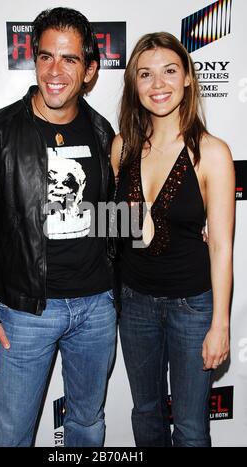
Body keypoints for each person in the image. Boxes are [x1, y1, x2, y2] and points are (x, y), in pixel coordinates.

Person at [0, 7, 116, 447]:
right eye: (46, 57)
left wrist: (177, 232)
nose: (55, 71)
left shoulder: (103, 133)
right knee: (9, 434)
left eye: (69, 59)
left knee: (87, 424)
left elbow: (109, 216)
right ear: (34, 59)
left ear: (90, 69)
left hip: (96, 308)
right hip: (24, 314)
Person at [111, 32, 235, 447]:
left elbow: (221, 246)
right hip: (134, 303)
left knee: (190, 425)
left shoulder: (211, 153)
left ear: (187, 79)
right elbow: (118, 228)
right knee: (145, 413)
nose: (158, 84)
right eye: (145, 74)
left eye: (169, 71)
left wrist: (220, 323)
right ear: (134, 85)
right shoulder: (121, 147)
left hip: (191, 306)